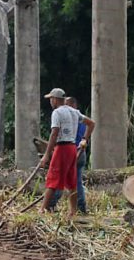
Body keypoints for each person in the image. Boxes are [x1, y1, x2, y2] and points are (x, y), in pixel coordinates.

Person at [39, 88, 95, 217]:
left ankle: (42, 209)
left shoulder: (57, 113)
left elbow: (54, 133)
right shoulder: (74, 112)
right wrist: (84, 139)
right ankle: (73, 211)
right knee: (72, 181)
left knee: (53, 178)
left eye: (51, 99)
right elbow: (91, 123)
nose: (50, 102)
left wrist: (47, 155)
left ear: (55, 99)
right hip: (72, 148)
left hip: (62, 148)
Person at [49, 96, 89, 213]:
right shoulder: (80, 119)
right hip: (79, 152)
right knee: (76, 181)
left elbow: (58, 134)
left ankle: (51, 204)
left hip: (71, 152)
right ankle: (80, 207)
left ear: (72, 106)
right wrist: (85, 139)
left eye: (66, 105)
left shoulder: (70, 118)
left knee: (60, 178)